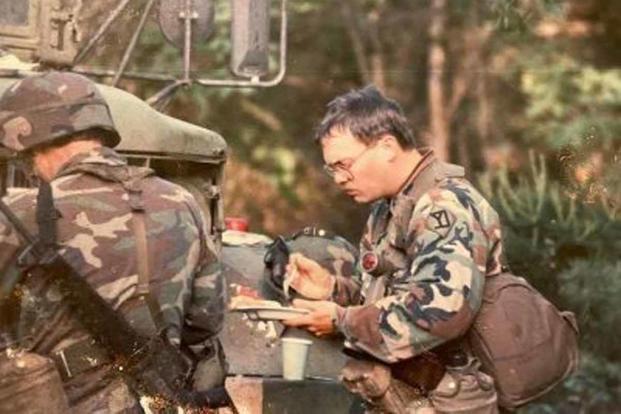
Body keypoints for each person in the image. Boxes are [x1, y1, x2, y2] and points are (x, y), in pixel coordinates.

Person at [0, 72, 226, 412]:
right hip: (158, 399)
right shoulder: (182, 202)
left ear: (30, 135)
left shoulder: (21, 212)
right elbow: (206, 318)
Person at [283, 85, 501, 413]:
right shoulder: (389, 210)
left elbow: (441, 312)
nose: (339, 179)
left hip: (449, 401)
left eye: (344, 164)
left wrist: (342, 321)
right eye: (332, 170)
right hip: (406, 397)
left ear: (386, 145)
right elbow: (383, 299)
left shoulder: (445, 206)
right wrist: (332, 290)